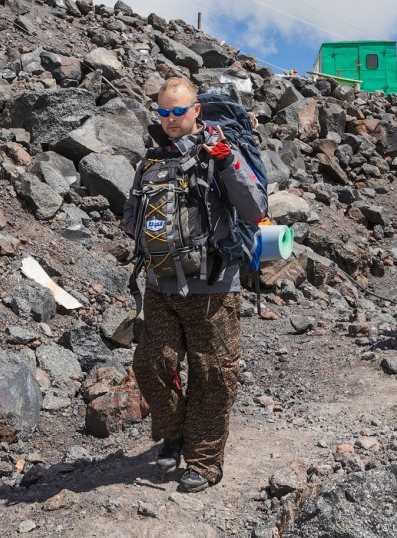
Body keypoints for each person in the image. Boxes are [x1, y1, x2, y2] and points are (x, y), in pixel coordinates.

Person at [122, 78, 268, 493]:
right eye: (164, 112)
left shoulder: (219, 154)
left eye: (178, 111)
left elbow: (255, 209)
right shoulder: (149, 162)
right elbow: (131, 216)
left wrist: (226, 162)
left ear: (196, 110)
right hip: (161, 285)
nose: (171, 119)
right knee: (150, 364)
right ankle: (174, 433)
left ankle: (204, 463)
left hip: (214, 289)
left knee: (213, 375)